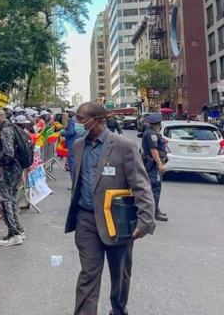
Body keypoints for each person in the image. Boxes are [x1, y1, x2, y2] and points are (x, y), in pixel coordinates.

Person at [65, 102, 156, 315]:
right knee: (88, 275)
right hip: (86, 220)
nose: (76, 123)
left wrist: (145, 220)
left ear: (96, 120)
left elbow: (141, 185)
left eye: (80, 119)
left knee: (120, 274)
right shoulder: (78, 145)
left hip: (117, 222)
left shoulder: (124, 146)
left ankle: (118, 309)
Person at [0, 110, 25, 247]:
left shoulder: (5, 130)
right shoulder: (13, 127)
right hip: (17, 168)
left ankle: (13, 233)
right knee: (11, 199)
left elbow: (8, 154)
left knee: (5, 201)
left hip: (9, 169)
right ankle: (19, 230)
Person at [141, 113, 168, 222]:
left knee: (153, 187)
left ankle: (154, 210)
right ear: (159, 123)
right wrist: (160, 165)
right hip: (153, 165)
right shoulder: (152, 134)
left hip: (152, 164)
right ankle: (154, 212)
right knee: (155, 188)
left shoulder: (150, 133)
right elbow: (153, 150)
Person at [62, 107, 81, 179]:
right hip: (79, 142)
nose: (68, 113)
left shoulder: (72, 119)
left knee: (72, 164)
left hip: (72, 143)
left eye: (70, 112)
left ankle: (74, 182)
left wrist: (62, 133)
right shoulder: (79, 119)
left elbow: (71, 132)